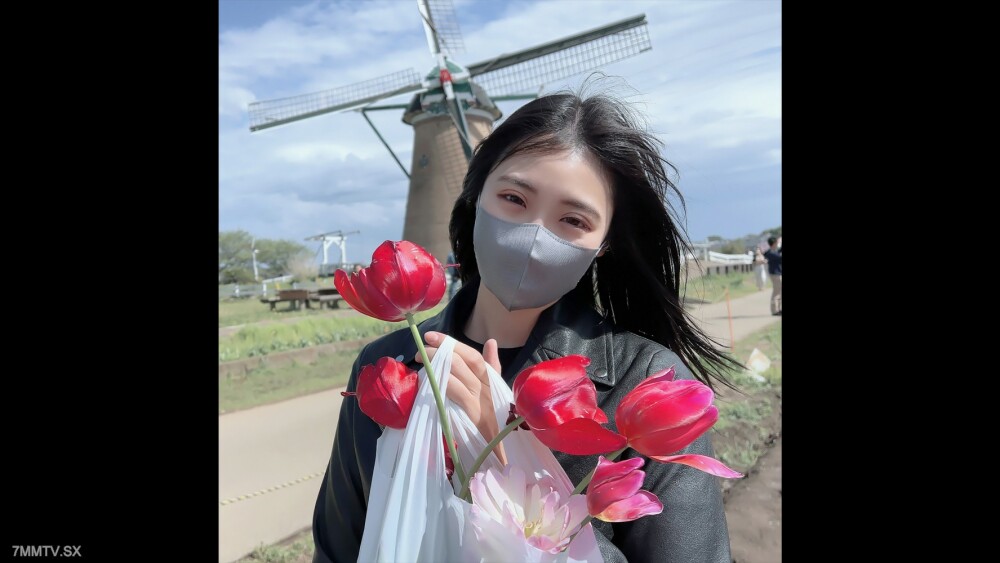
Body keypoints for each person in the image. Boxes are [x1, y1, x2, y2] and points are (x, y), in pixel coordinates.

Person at [311, 88, 743, 563]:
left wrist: (502, 460)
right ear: (476, 193)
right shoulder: (385, 368)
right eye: (514, 198)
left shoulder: (646, 384)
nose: (534, 236)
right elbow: (339, 548)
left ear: (603, 244)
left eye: (573, 220)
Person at [764, 236, 782, 315]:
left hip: (777, 273)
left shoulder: (773, 251)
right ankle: (774, 310)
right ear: (774, 243)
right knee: (776, 292)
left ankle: (778, 309)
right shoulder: (770, 253)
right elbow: (779, 258)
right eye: (776, 242)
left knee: (779, 292)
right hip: (775, 274)